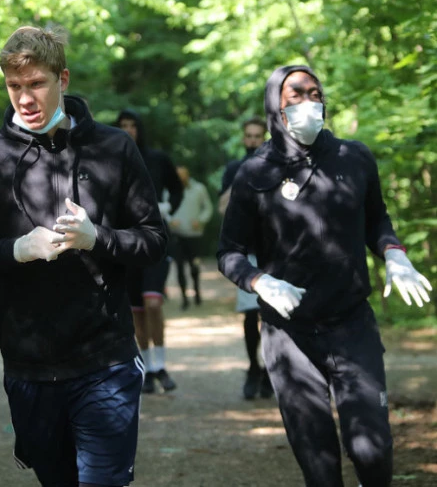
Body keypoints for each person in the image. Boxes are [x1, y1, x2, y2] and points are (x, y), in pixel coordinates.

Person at [0, 25, 167, 487]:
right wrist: (16, 249)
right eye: (14, 86)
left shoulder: (114, 148)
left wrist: (97, 238)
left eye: (36, 83)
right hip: (30, 366)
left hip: (106, 359)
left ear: (62, 79)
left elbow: (154, 242)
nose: (25, 98)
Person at [218, 65, 432, 486]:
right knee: (318, 462)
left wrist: (395, 254)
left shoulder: (354, 157)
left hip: (351, 323)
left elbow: (377, 219)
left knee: (372, 450)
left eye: (315, 94)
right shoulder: (254, 171)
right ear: (276, 107)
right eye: (296, 95)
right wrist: (260, 282)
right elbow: (229, 252)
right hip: (288, 335)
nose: (308, 102)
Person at [116, 109, 183, 394]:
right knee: (137, 311)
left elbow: (177, 189)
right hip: (126, 242)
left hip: (156, 240)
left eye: (133, 125)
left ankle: (161, 365)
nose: (129, 130)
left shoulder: (157, 158)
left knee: (153, 303)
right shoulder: (111, 158)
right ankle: (147, 369)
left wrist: (168, 208)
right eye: (123, 125)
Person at [218, 117, 274, 400]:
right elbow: (222, 208)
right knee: (251, 315)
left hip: (274, 251)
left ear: (265, 138)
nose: (252, 140)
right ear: (243, 138)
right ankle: (253, 367)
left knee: (272, 315)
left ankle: (270, 372)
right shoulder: (234, 169)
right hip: (247, 253)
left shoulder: (275, 166)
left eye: (257, 136)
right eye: (248, 136)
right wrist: (243, 176)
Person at [167, 166, 213, 310]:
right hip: (177, 234)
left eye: (183, 175)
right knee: (179, 267)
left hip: (194, 235)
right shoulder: (168, 190)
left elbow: (208, 208)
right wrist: (170, 220)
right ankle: (184, 298)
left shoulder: (199, 189)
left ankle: (197, 292)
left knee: (195, 265)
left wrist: (200, 220)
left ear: (188, 175)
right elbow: (163, 209)